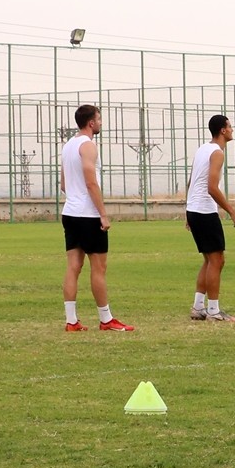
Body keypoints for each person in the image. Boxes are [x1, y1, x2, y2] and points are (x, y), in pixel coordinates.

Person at [60, 104, 134, 332]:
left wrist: (76, 197)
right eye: (99, 119)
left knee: (73, 267)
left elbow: (63, 185)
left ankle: (71, 321)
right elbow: (91, 182)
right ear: (91, 123)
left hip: (70, 213)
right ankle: (106, 319)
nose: (101, 123)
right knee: (99, 268)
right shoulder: (88, 145)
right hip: (88, 215)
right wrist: (102, 214)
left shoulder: (68, 146)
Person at [186, 114, 235, 321]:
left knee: (210, 260)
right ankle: (213, 311)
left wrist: (188, 210)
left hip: (195, 210)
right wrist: (232, 211)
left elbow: (191, 181)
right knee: (217, 260)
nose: (232, 130)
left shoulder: (202, 149)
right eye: (230, 126)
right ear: (222, 130)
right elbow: (211, 187)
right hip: (204, 211)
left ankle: (198, 307)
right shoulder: (217, 153)